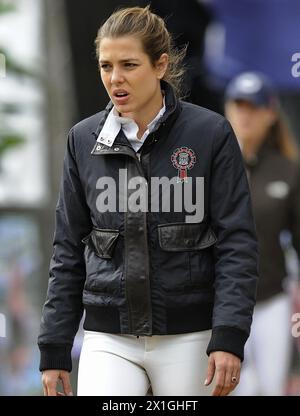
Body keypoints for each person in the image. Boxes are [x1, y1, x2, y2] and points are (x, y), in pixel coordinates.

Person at [38, 6, 258, 396]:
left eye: (128, 65)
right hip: (109, 338)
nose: (114, 78)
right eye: (106, 66)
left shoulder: (211, 134)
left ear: (160, 65)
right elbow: (67, 248)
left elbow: (237, 244)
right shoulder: (82, 140)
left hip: (190, 336)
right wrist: (55, 346)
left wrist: (228, 336)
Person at [224, 71, 300, 395]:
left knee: (270, 386)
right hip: (222, 300)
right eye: (238, 105)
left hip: (271, 299)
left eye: (252, 107)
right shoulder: (214, 167)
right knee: (235, 387)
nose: (245, 114)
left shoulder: (288, 170)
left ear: (270, 113)